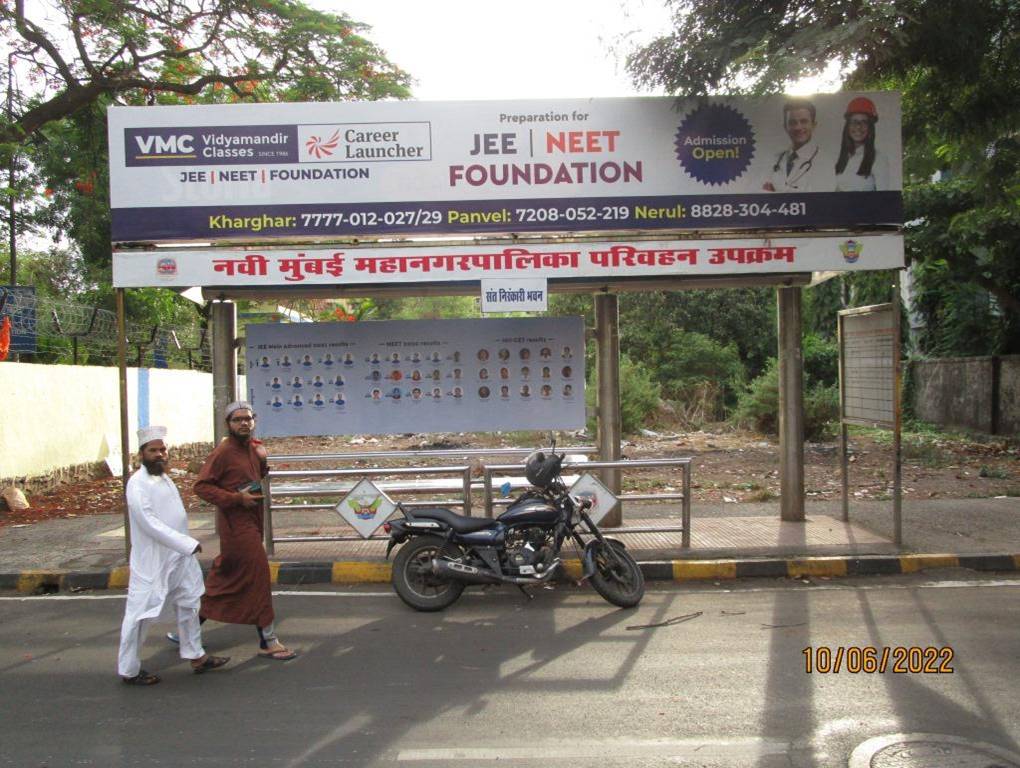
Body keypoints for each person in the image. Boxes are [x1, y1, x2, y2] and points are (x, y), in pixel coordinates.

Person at [118, 425, 228, 685]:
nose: (159, 454)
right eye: (153, 450)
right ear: (141, 453)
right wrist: (185, 543)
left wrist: (183, 547)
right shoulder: (138, 484)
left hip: (179, 557)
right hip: (153, 561)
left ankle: (196, 656)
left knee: (190, 602)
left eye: (162, 449)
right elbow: (149, 522)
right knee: (140, 615)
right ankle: (129, 670)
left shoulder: (163, 478)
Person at [194, 403, 297, 661]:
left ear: (254, 421)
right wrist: (235, 499)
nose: (243, 423)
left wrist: (263, 460)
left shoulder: (254, 449)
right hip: (236, 525)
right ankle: (268, 640)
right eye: (237, 419)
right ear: (228, 424)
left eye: (248, 419)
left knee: (226, 578)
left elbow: (259, 474)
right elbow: (202, 486)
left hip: (253, 520)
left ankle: (187, 630)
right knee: (259, 575)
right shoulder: (223, 452)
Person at [761, 99, 832, 192]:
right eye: (792, 122)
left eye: (804, 121)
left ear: (813, 125)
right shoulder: (775, 159)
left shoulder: (825, 162)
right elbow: (763, 191)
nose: (798, 127)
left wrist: (777, 190)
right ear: (785, 127)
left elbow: (823, 197)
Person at [834, 96, 890, 192]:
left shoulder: (879, 158)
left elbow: (883, 199)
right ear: (847, 126)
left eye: (864, 122)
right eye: (854, 122)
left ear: (870, 127)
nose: (858, 127)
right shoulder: (841, 157)